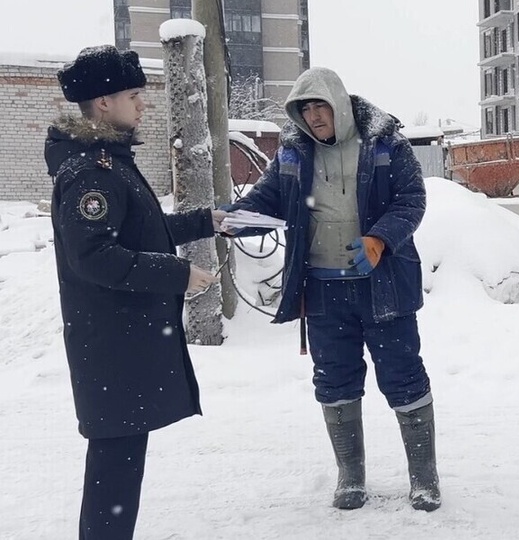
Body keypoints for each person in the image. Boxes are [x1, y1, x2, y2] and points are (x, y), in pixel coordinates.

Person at [222, 67, 437, 511]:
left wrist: (380, 239)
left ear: (338, 103)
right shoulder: (293, 152)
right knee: (335, 381)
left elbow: (411, 199)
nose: (314, 116)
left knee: (403, 376)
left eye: (320, 105)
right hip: (322, 290)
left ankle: (424, 477)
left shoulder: (386, 144)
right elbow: (268, 199)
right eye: (304, 109)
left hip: (384, 288)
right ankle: (351, 475)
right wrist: (235, 219)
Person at [45, 45, 227, 539]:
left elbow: (138, 230)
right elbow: (95, 257)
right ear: (103, 103)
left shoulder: (106, 161)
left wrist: (203, 222)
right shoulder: (90, 171)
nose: (143, 104)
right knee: (114, 471)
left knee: (120, 466)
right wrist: (177, 274)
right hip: (111, 345)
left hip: (118, 342)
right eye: (134, 95)